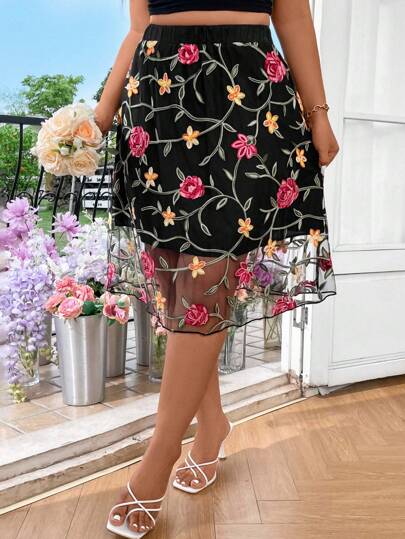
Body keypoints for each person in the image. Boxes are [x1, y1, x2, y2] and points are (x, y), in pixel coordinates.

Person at [96, 1, 339, 537]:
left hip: (245, 95)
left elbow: (293, 18)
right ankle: (211, 425)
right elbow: (137, 28)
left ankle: (158, 458)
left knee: (206, 281)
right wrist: (101, 114)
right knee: (175, 284)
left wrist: (318, 113)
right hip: (155, 101)